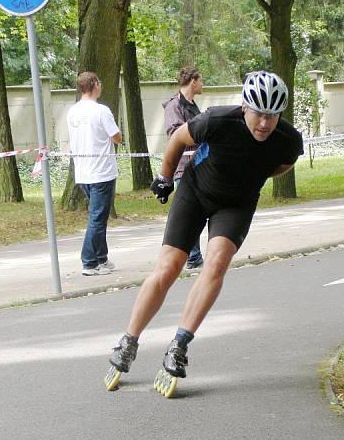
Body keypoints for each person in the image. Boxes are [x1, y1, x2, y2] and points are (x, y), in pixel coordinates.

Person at [105, 71, 303, 396]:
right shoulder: (217, 120)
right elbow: (177, 140)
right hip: (195, 192)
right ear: (244, 107)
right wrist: (165, 177)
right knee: (168, 268)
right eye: (258, 113)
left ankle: (179, 344)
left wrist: (254, 174)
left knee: (217, 263)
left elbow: (283, 164)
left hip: (236, 204)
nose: (265, 123)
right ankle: (129, 340)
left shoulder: (288, 140)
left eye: (273, 115)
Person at [66, 71, 123, 276]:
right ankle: (89, 262)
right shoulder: (101, 111)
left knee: (98, 216)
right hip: (102, 172)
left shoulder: (72, 112)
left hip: (83, 172)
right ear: (94, 85)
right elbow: (116, 137)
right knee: (97, 218)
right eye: (99, 83)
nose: (101, 86)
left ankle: (101, 257)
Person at [163, 66, 205, 269]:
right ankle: (191, 257)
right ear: (193, 81)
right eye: (201, 80)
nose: (202, 84)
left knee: (197, 211)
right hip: (182, 167)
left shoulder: (193, 106)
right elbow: (176, 134)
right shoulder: (174, 106)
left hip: (199, 165)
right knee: (186, 213)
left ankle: (194, 257)